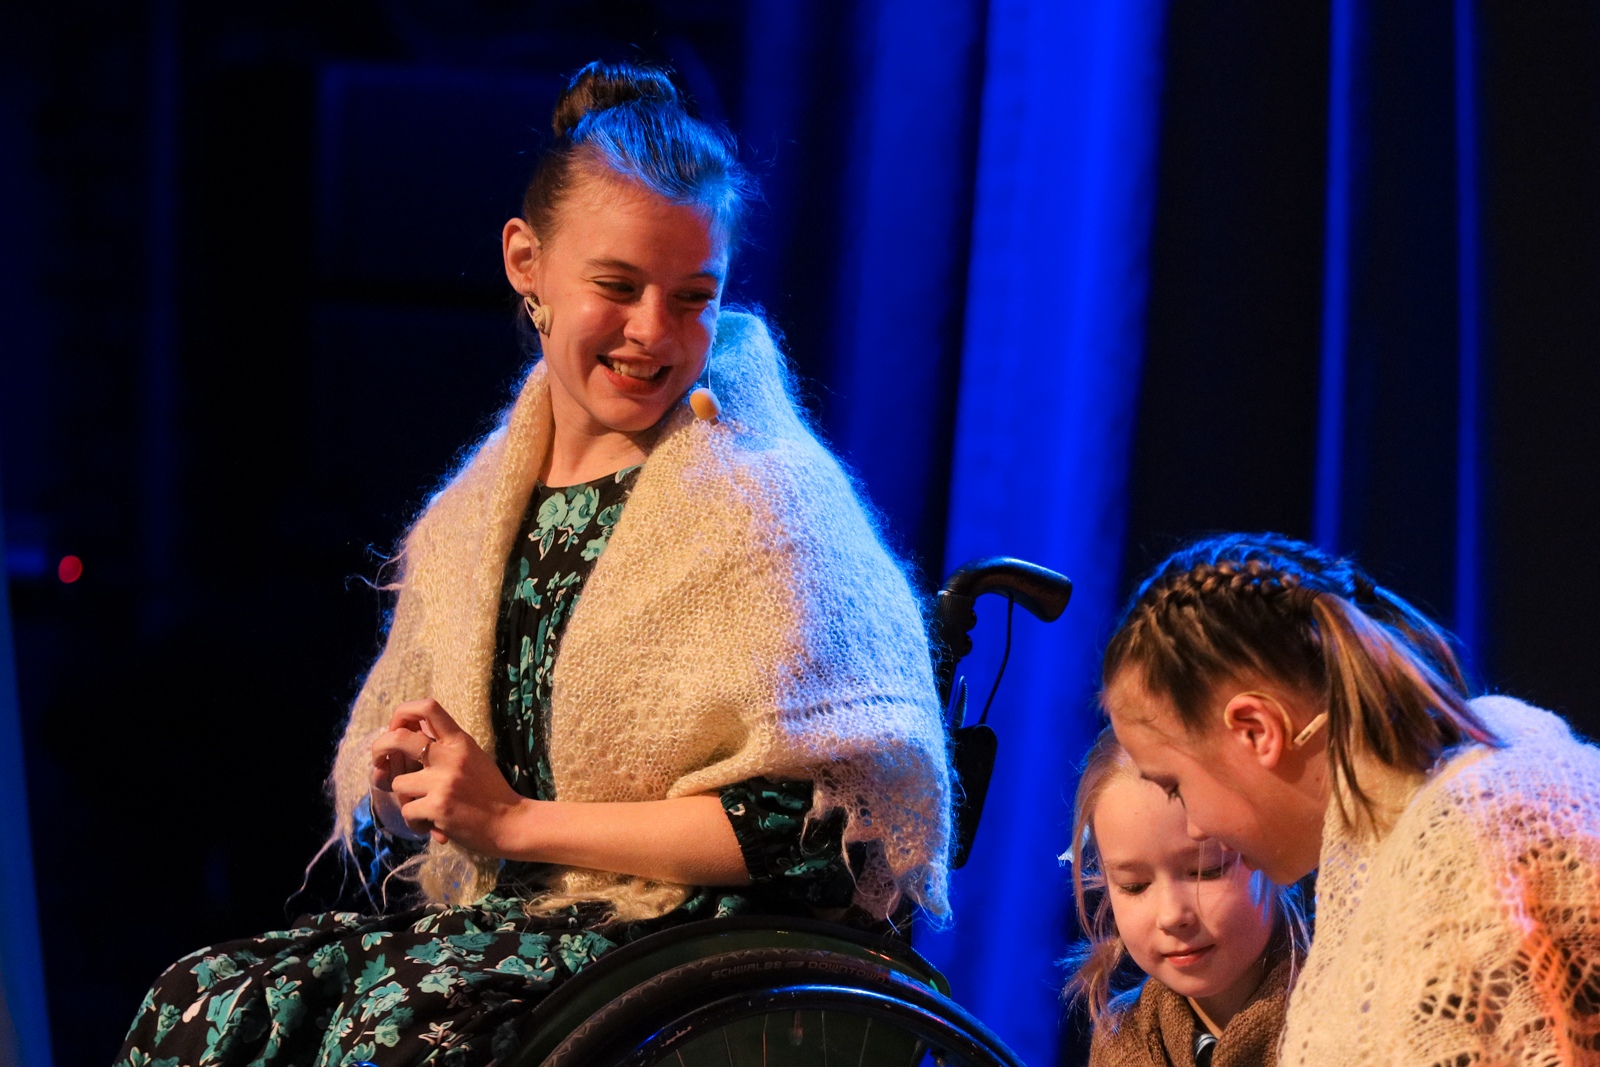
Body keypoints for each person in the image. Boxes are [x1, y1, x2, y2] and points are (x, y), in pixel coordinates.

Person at [117, 61, 950, 1067]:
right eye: (618, 286)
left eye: (694, 297)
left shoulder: (766, 502)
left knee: (389, 1041)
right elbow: (446, 809)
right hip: (523, 926)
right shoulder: (474, 515)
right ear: (527, 262)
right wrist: (418, 784)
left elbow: (822, 835)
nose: (654, 331)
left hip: (691, 946)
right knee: (199, 1000)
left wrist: (514, 819)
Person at [1101, 532, 1600, 1067]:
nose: (1197, 826)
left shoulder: (1475, 845)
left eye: (1175, 785)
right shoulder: (1414, 832)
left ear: (1256, 730)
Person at [1063, 727, 1307, 1067]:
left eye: (1206, 871)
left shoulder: (1353, 1004)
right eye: (1134, 885)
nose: (1172, 915)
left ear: (1273, 846)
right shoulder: (1120, 1043)